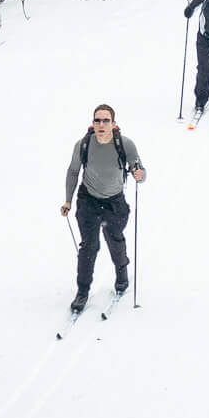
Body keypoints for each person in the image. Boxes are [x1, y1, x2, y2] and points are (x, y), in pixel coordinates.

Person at [60, 104, 145, 312]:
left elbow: (140, 170)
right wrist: (68, 201)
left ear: (113, 124)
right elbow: (73, 171)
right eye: (97, 120)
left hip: (114, 202)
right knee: (89, 246)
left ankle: (122, 273)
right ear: (92, 123)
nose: (101, 124)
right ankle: (82, 291)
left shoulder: (125, 144)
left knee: (114, 240)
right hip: (88, 200)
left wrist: (139, 174)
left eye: (105, 121)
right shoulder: (83, 144)